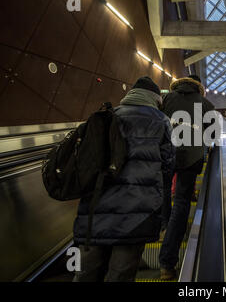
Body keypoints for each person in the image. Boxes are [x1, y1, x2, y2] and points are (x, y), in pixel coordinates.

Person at [73, 76, 175, 282]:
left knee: (86, 273)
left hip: (95, 209)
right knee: (121, 274)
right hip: (136, 212)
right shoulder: (161, 121)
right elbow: (168, 165)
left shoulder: (106, 117)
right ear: (155, 99)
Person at [159, 75, 215, 280]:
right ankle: (166, 264)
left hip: (165, 155)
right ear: (199, 88)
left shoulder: (166, 100)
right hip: (191, 160)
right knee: (181, 204)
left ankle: (164, 226)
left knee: (163, 191)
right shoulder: (207, 105)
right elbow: (211, 137)